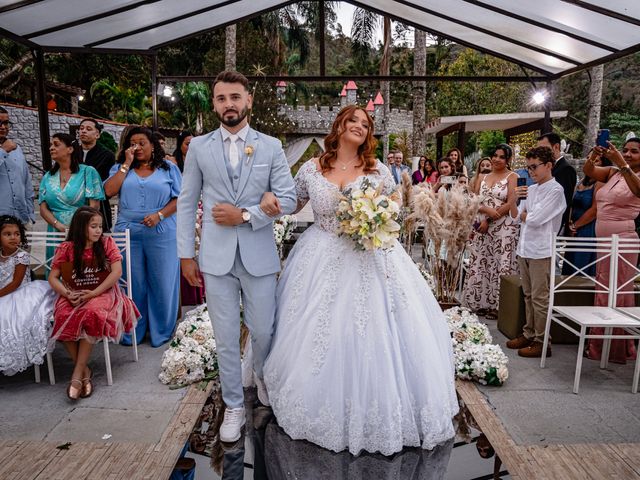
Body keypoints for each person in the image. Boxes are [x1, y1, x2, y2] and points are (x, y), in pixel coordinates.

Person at [263, 105, 458, 456]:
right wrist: (269, 200)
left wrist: (379, 218)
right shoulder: (312, 168)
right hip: (319, 256)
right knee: (320, 330)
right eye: (352, 120)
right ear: (338, 126)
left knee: (373, 330)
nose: (358, 126)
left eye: (365, 124)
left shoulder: (377, 169)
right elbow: (292, 204)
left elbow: (395, 206)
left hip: (371, 254)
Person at [176, 71, 297, 443]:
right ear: (214, 104)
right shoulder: (199, 147)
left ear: (249, 101)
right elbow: (186, 201)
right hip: (215, 258)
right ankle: (233, 405)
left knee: (264, 330)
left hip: (258, 254)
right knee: (227, 337)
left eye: (235, 97)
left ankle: (260, 377)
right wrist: (186, 255)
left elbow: (288, 199)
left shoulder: (271, 146)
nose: (228, 104)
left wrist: (247, 215)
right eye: (221, 98)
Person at [48, 207, 139, 399]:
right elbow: (53, 277)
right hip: (74, 292)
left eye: (100, 226)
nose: (99, 230)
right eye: (93, 226)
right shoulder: (67, 248)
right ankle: (85, 372)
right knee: (62, 316)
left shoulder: (106, 243)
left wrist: (93, 294)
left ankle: (77, 374)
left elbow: (116, 272)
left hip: (103, 292)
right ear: (81, 228)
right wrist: (67, 293)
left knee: (91, 313)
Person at [104, 127, 181, 347]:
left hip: (162, 229)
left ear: (153, 145)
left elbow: (181, 199)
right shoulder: (120, 168)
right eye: (132, 143)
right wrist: (126, 165)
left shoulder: (169, 169)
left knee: (162, 280)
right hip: (127, 231)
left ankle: (161, 331)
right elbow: (108, 191)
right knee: (132, 282)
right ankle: (133, 329)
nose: (136, 147)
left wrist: (159, 215)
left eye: (142, 143)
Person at [582, 138, 640, 364]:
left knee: (617, 292)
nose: (627, 154)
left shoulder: (630, 175)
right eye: (625, 150)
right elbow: (589, 170)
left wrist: (622, 164)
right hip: (604, 239)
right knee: (604, 289)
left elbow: (637, 190)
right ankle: (600, 343)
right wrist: (594, 156)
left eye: (634, 152)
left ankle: (612, 349)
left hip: (623, 241)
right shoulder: (613, 173)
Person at [505, 147, 566, 357]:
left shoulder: (556, 190)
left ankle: (543, 341)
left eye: (534, 167)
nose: (531, 172)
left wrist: (526, 215)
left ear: (548, 165)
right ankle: (529, 333)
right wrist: (513, 199)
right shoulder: (530, 189)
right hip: (525, 247)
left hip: (542, 250)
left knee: (540, 298)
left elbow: (535, 219)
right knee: (528, 295)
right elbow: (515, 217)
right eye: (528, 167)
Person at [462, 144, 519, 318]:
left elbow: (511, 202)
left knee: (501, 263)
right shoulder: (482, 177)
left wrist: (491, 217)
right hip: (483, 226)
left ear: (508, 160)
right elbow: (475, 199)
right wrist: (485, 214)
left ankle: (498, 305)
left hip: (504, 226)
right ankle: (481, 301)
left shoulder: (512, 176)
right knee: (482, 261)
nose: (496, 159)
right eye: (494, 155)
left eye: (501, 157)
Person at [0, 215, 57, 376]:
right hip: (4, 293)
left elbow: (15, 283)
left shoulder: (21, 256)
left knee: (7, 319)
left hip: (20, 294)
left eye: (17, 234)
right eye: (7, 234)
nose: (13, 237)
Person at [561, 157, 607, 277]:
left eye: (596, 161)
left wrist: (576, 225)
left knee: (582, 263)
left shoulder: (601, 183)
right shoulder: (581, 181)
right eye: (589, 159)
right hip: (574, 228)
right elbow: (571, 203)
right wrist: (570, 224)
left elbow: (595, 209)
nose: (590, 162)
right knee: (570, 262)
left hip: (588, 228)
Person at [0, 107, 35, 225]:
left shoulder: (17, 148)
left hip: (21, 220)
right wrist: (3, 151)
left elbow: (26, 182)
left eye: (6, 123)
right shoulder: (8, 148)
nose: (3, 127)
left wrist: (30, 214)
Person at [78, 118, 115, 230]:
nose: (83, 131)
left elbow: (106, 182)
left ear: (97, 135)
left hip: (99, 204)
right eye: (81, 128)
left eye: (89, 129)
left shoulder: (107, 155)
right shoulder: (72, 152)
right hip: (75, 203)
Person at [537, 132, 576, 233]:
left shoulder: (566, 169)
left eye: (544, 148)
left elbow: (564, 201)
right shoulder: (545, 168)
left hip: (555, 225)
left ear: (556, 147)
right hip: (542, 222)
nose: (540, 153)